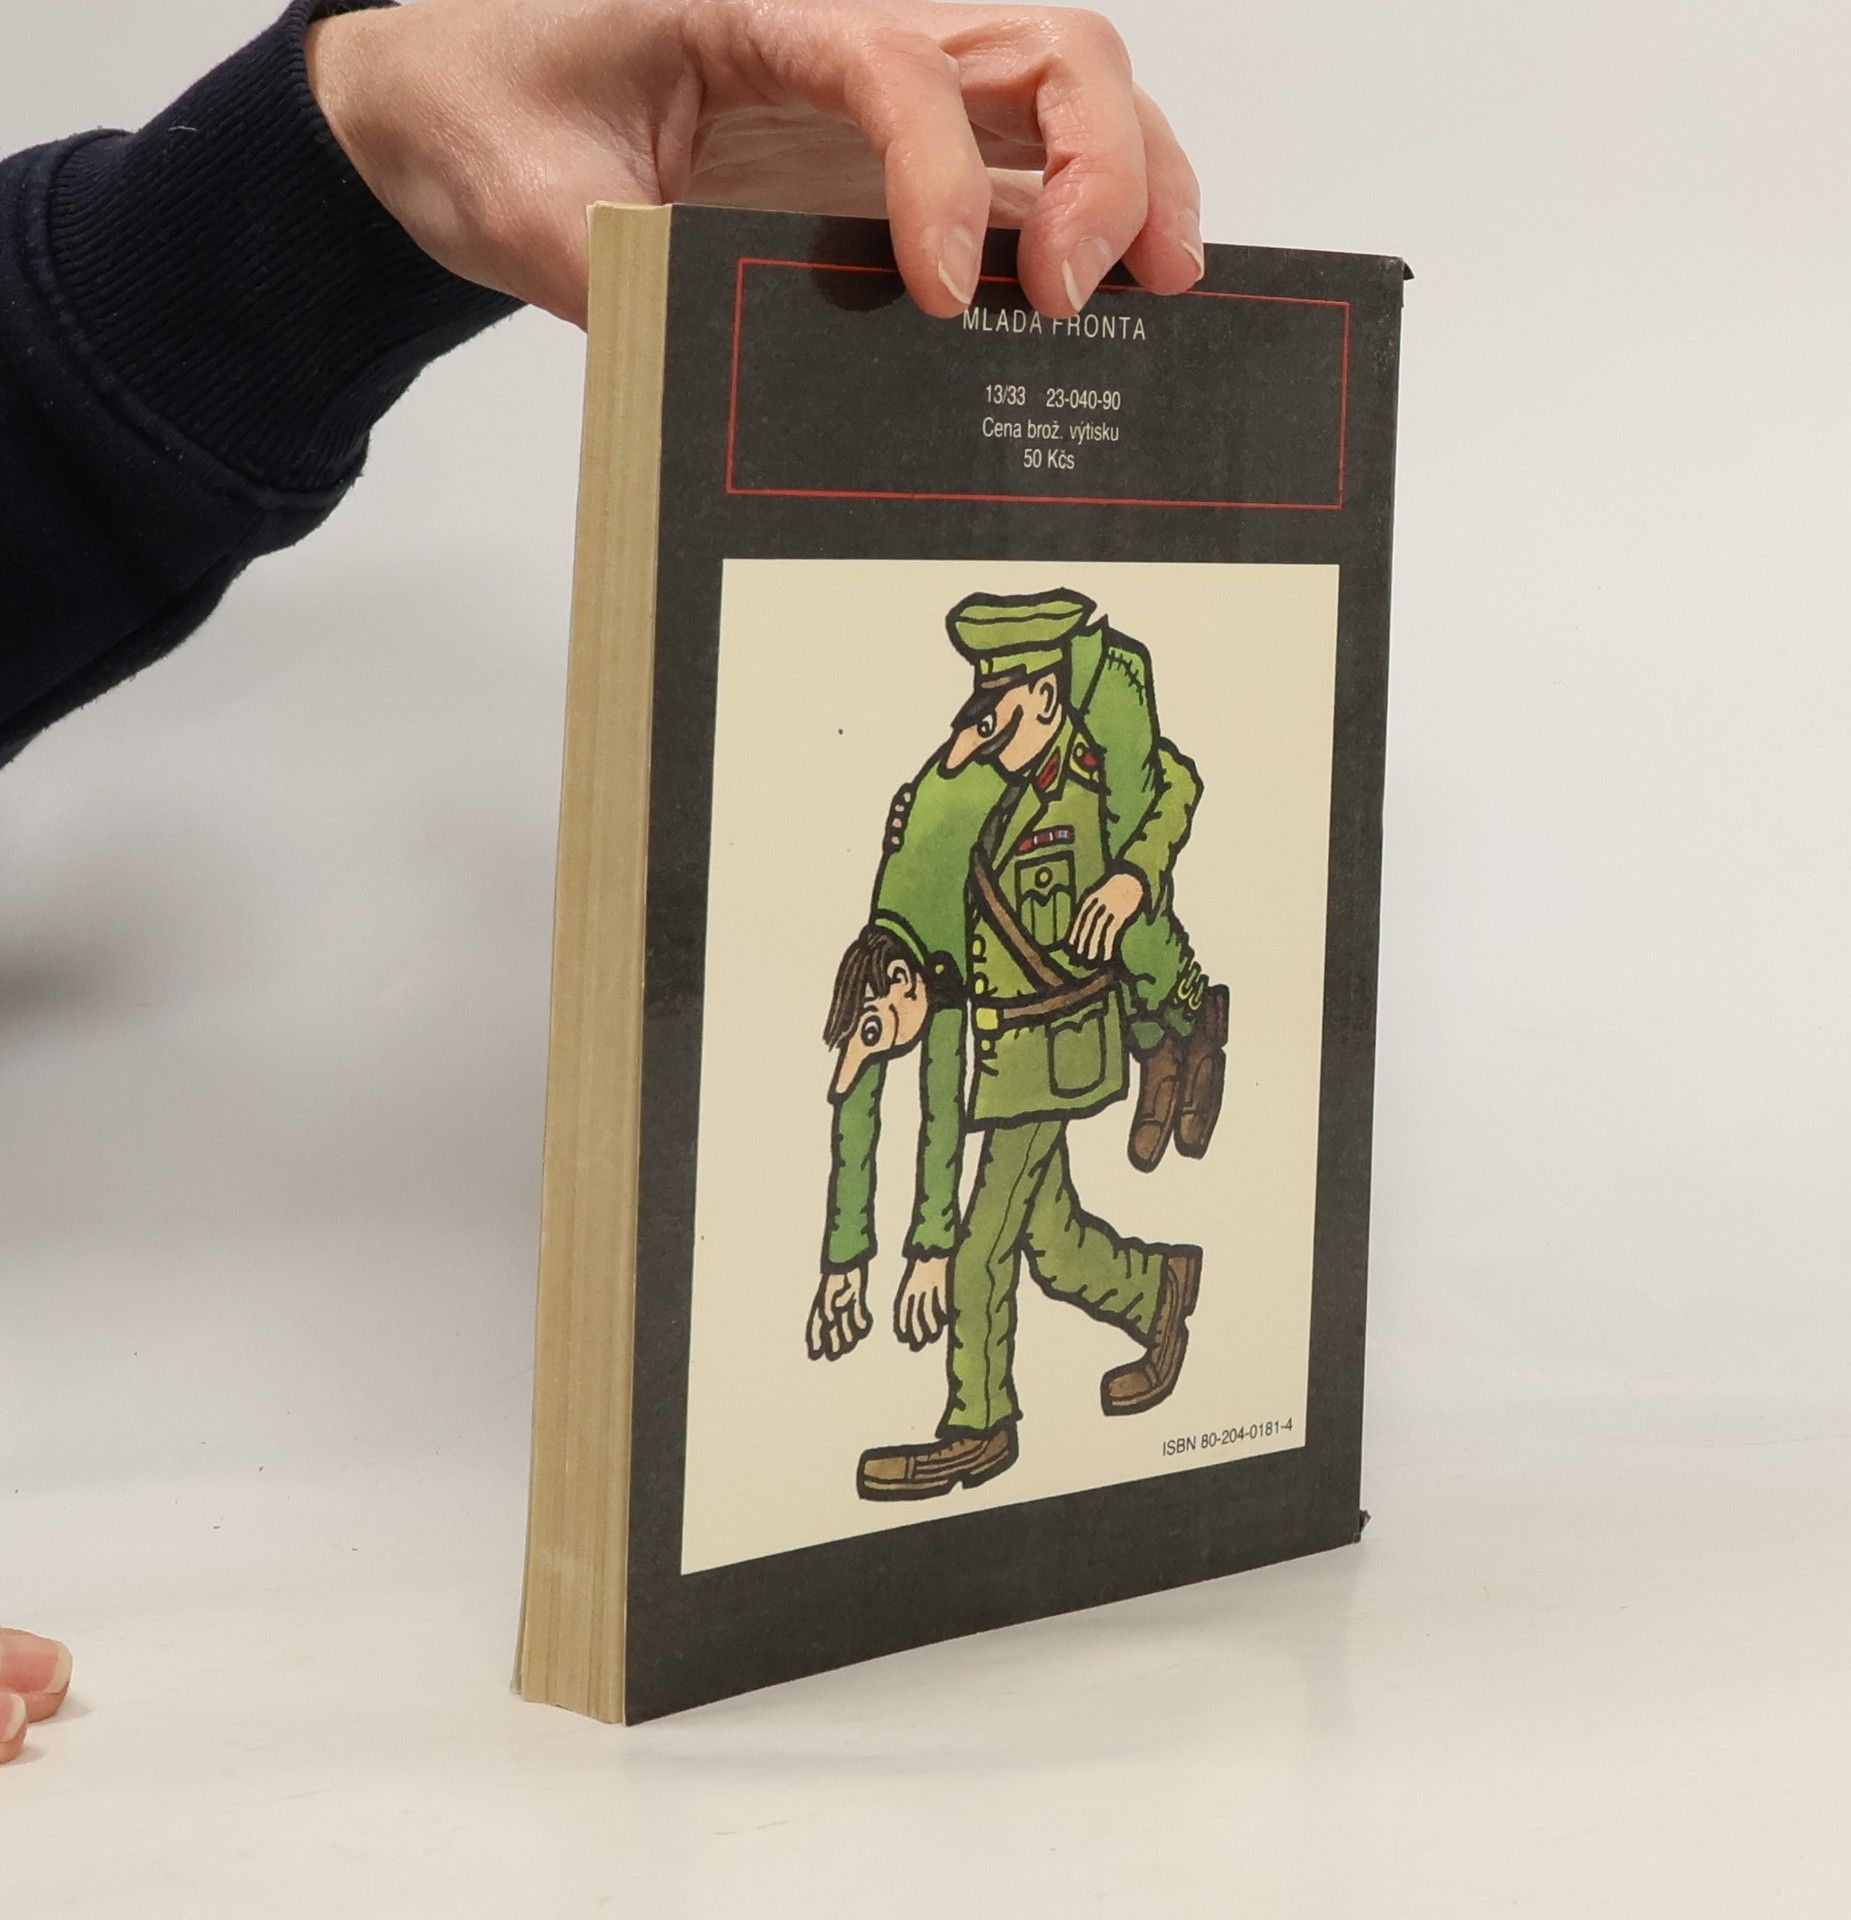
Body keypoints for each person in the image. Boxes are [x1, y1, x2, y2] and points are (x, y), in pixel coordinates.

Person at [0, 0, 1204, 1759]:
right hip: (995, 1032)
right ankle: (1101, 1321)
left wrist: (348, 158)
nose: (1000, 712)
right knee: (1009, 1218)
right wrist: (874, 1235)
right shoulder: (936, 811)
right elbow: (879, 1072)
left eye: (1022, 691)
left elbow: (1146, 807)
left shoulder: (1090, 745)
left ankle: (1117, 1215)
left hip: (1059, 1023)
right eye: (995, 694)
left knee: (1010, 1216)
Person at [809, 590, 1212, 1499]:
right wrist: (847, 1259)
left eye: (1002, 713)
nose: (989, 733)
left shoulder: (1093, 774)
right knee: (1051, 1241)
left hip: (1060, 1048)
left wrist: (1132, 877)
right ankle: (1158, 1289)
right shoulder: (970, 804)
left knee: (983, 1248)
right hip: (1009, 1059)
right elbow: (887, 1089)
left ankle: (978, 1425)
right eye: (981, 716)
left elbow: (1179, 785)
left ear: (1045, 694)